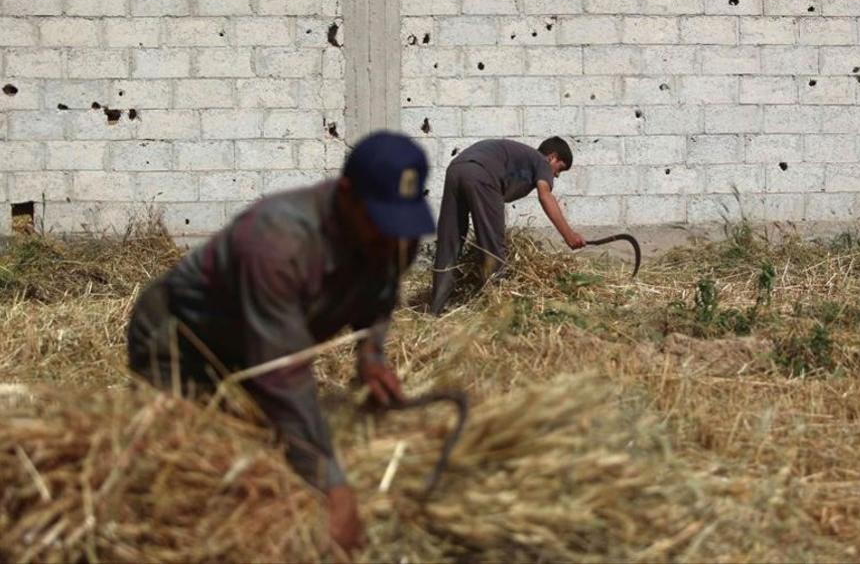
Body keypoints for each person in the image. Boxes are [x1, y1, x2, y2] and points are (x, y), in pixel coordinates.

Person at [125, 131, 436, 553]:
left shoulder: (394, 234)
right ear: (346, 196)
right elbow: (283, 374)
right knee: (180, 468)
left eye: (402, 224)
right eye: (381, 221)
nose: (393, 239)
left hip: (260, 343)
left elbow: (380, 298)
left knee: (267, 460)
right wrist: (335, 489)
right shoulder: (277, 240)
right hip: (183, 340)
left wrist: (370, 355)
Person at [429, 136, 585, 315]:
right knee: (493, 247)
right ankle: (497, 312)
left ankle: (435, 309)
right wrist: (569, 235)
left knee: (450, 241)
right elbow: (545, 195)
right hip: (483, 175)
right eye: (560, 169)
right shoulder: (541, 161)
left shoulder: (522, 156)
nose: (556, 175)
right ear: (552, 157)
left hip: (457, 168)